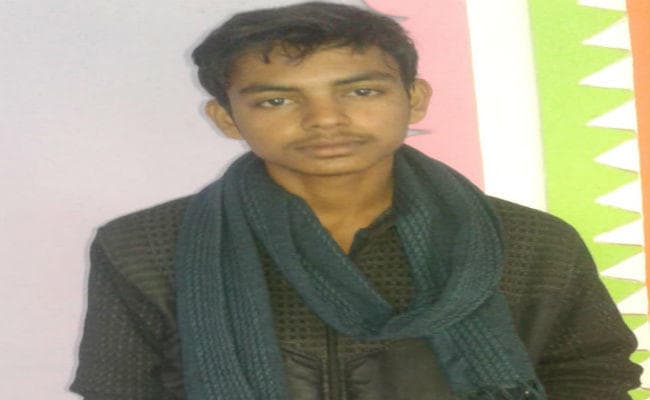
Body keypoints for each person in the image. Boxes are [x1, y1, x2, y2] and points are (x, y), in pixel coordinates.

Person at [70, 2, 642, 399]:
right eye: (276, 101)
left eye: (361, 91)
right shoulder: (145, 247)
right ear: (226, 118)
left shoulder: (528, 242)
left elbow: (591, 374)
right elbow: (119, 392)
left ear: (414, 98)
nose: (325, 119)